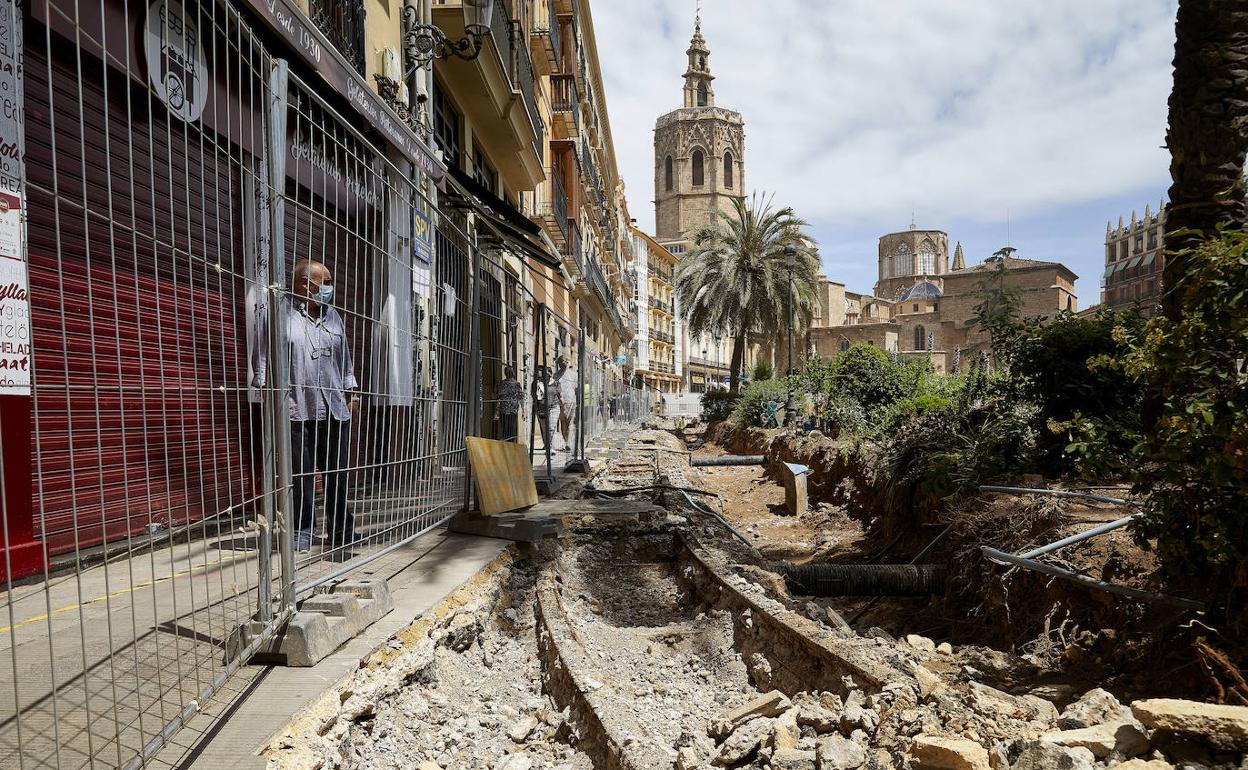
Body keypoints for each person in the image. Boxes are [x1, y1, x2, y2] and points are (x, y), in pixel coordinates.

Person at [252, 258, 358, 554]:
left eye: (329, 282)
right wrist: (264, 387)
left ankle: (341, 529)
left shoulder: (333, 316)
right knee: (301, 476)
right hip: (297, 408)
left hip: (334, 407)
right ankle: (302, 530)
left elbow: (344, 357)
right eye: (323, 282)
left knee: (338, 472)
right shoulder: (277, 313)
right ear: (303, 284)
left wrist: (351, 392)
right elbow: (261, 354)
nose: (328, 288)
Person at [554, 356, 577, 452]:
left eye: (564, 362)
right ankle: (566, 442)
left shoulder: (573, 375)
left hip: (571, 401)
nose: (562, 364)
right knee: (563, 422)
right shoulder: (556, 375)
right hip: (561, 403)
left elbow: (576, 388)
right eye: (560, 362)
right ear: (558, 364)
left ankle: (567, 441)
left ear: (567, 363)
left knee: (569, 422)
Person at [497, 365, 524, 442]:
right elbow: (494, 395)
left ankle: (510, 444)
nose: (509, 373)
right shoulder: (501, 383)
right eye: (508, 371)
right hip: (504, 410)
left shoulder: (517, 384)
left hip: (512, 410)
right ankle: (507, 444)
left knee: (511, 428)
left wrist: (523, 410)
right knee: (506, 429)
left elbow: (521, 397)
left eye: (510, 371)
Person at [531, 364, 554, 451]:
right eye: (538, 371)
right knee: (543, 427)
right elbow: (533, 395)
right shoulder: (535, 383)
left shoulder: (549, 382)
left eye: (541, 371)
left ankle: (549, 444)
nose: (539, 373)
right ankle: (547, 444)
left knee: (550, 427)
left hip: (550, 407)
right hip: (540, 408)